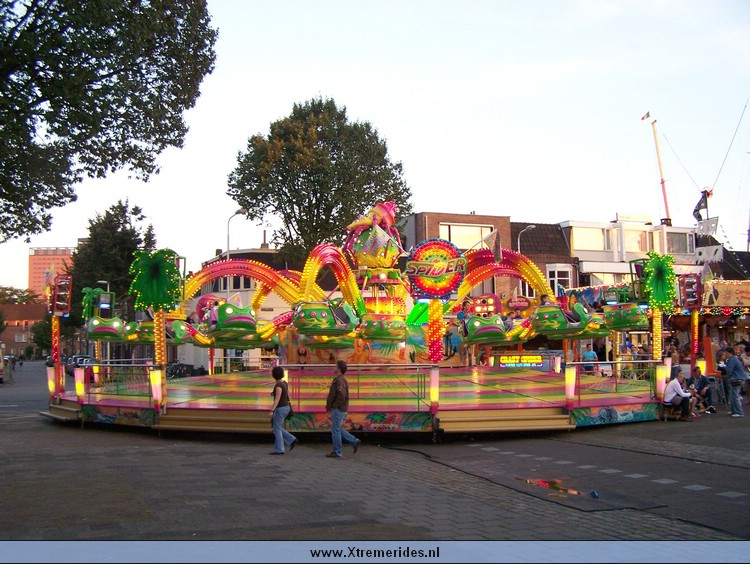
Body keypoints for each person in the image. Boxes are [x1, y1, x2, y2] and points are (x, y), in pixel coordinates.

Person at [325, 359, 361, 458]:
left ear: (339, 369)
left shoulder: (340, 380)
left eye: (335, 366)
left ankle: (337, 451)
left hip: (338, 409)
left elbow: (341, 395)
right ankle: (354, 441)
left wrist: (334, 405)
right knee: (337, 429)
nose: (333, 367)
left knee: (335, 430)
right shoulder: (340, 379)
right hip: (340, 409)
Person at [268, 365, 297, 455]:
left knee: (276, 429)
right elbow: (283, 394)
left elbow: (277, 399)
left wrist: (272, 410)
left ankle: (280, 449)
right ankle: (291, 439)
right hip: (286, 407)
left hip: (281, 408)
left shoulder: (278, 386)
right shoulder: (284, 383)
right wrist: (273, 393)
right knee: (278, 427)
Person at [724, 346, 746, 417]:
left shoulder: (732, 360)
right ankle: (734, 411)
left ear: (730, 353)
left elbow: (729, 371)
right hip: (739, 378)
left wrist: (726, 376)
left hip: (736, 378)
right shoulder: (734, 359)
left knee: (735, 396)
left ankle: (739, 412)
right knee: (733, 396)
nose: (725, 355)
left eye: (726, 353)